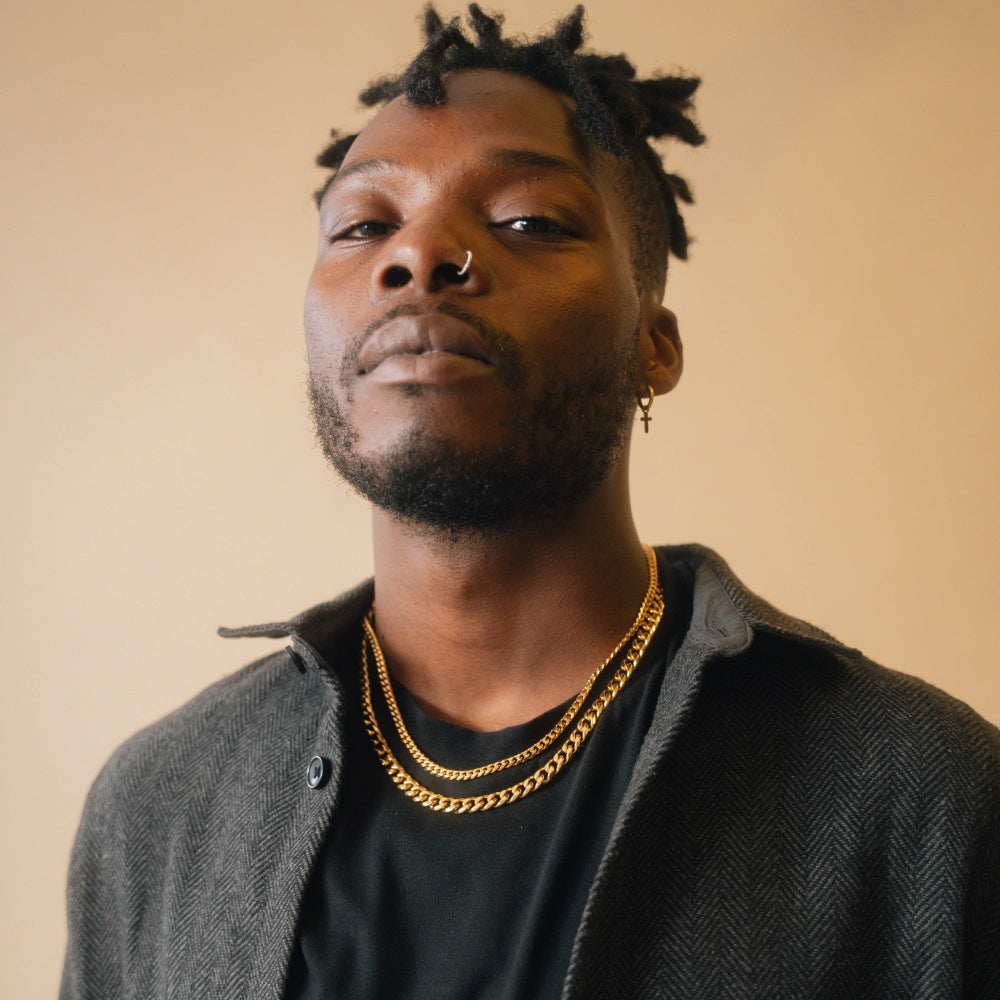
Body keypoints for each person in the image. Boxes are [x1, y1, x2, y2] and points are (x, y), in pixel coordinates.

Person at [60, 6, 999, 999]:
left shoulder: (919, 798)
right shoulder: (158, 810)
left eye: (526, 221)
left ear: (656, 344)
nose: (417, 256)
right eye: (364, 224)